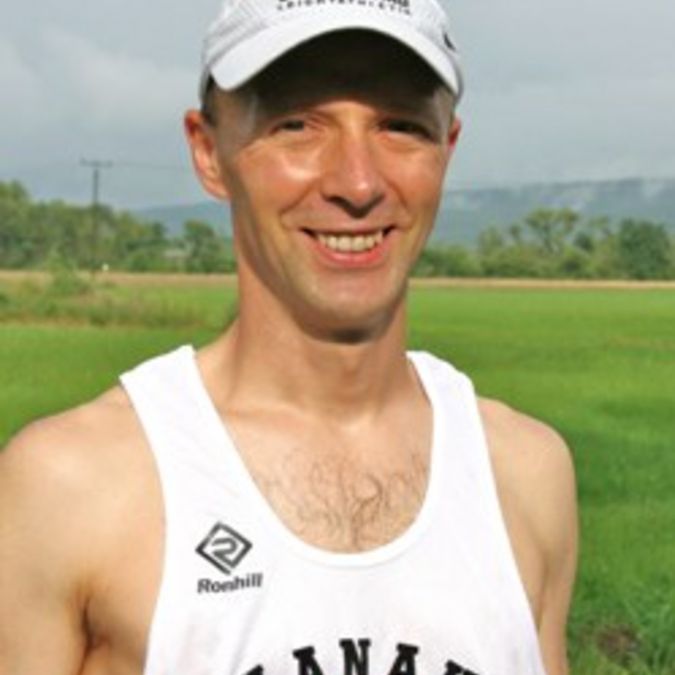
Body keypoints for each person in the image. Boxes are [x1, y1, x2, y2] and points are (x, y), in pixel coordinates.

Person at [0, 1, 578, 674]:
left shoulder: (524, 473)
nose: (357, 183)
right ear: (208, 152)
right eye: (296, 125)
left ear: (446, 150)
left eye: (400, 126)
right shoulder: (74, 483)